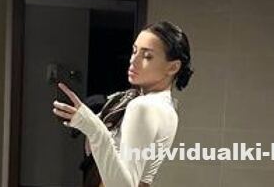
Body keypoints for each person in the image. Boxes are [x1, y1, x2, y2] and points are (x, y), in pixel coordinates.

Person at [53, 20, 194, 187]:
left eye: (147, 56)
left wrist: (94, 128)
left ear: (173, 67)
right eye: (134, 51)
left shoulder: (143, 107)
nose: (133, 60)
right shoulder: (167, 108)